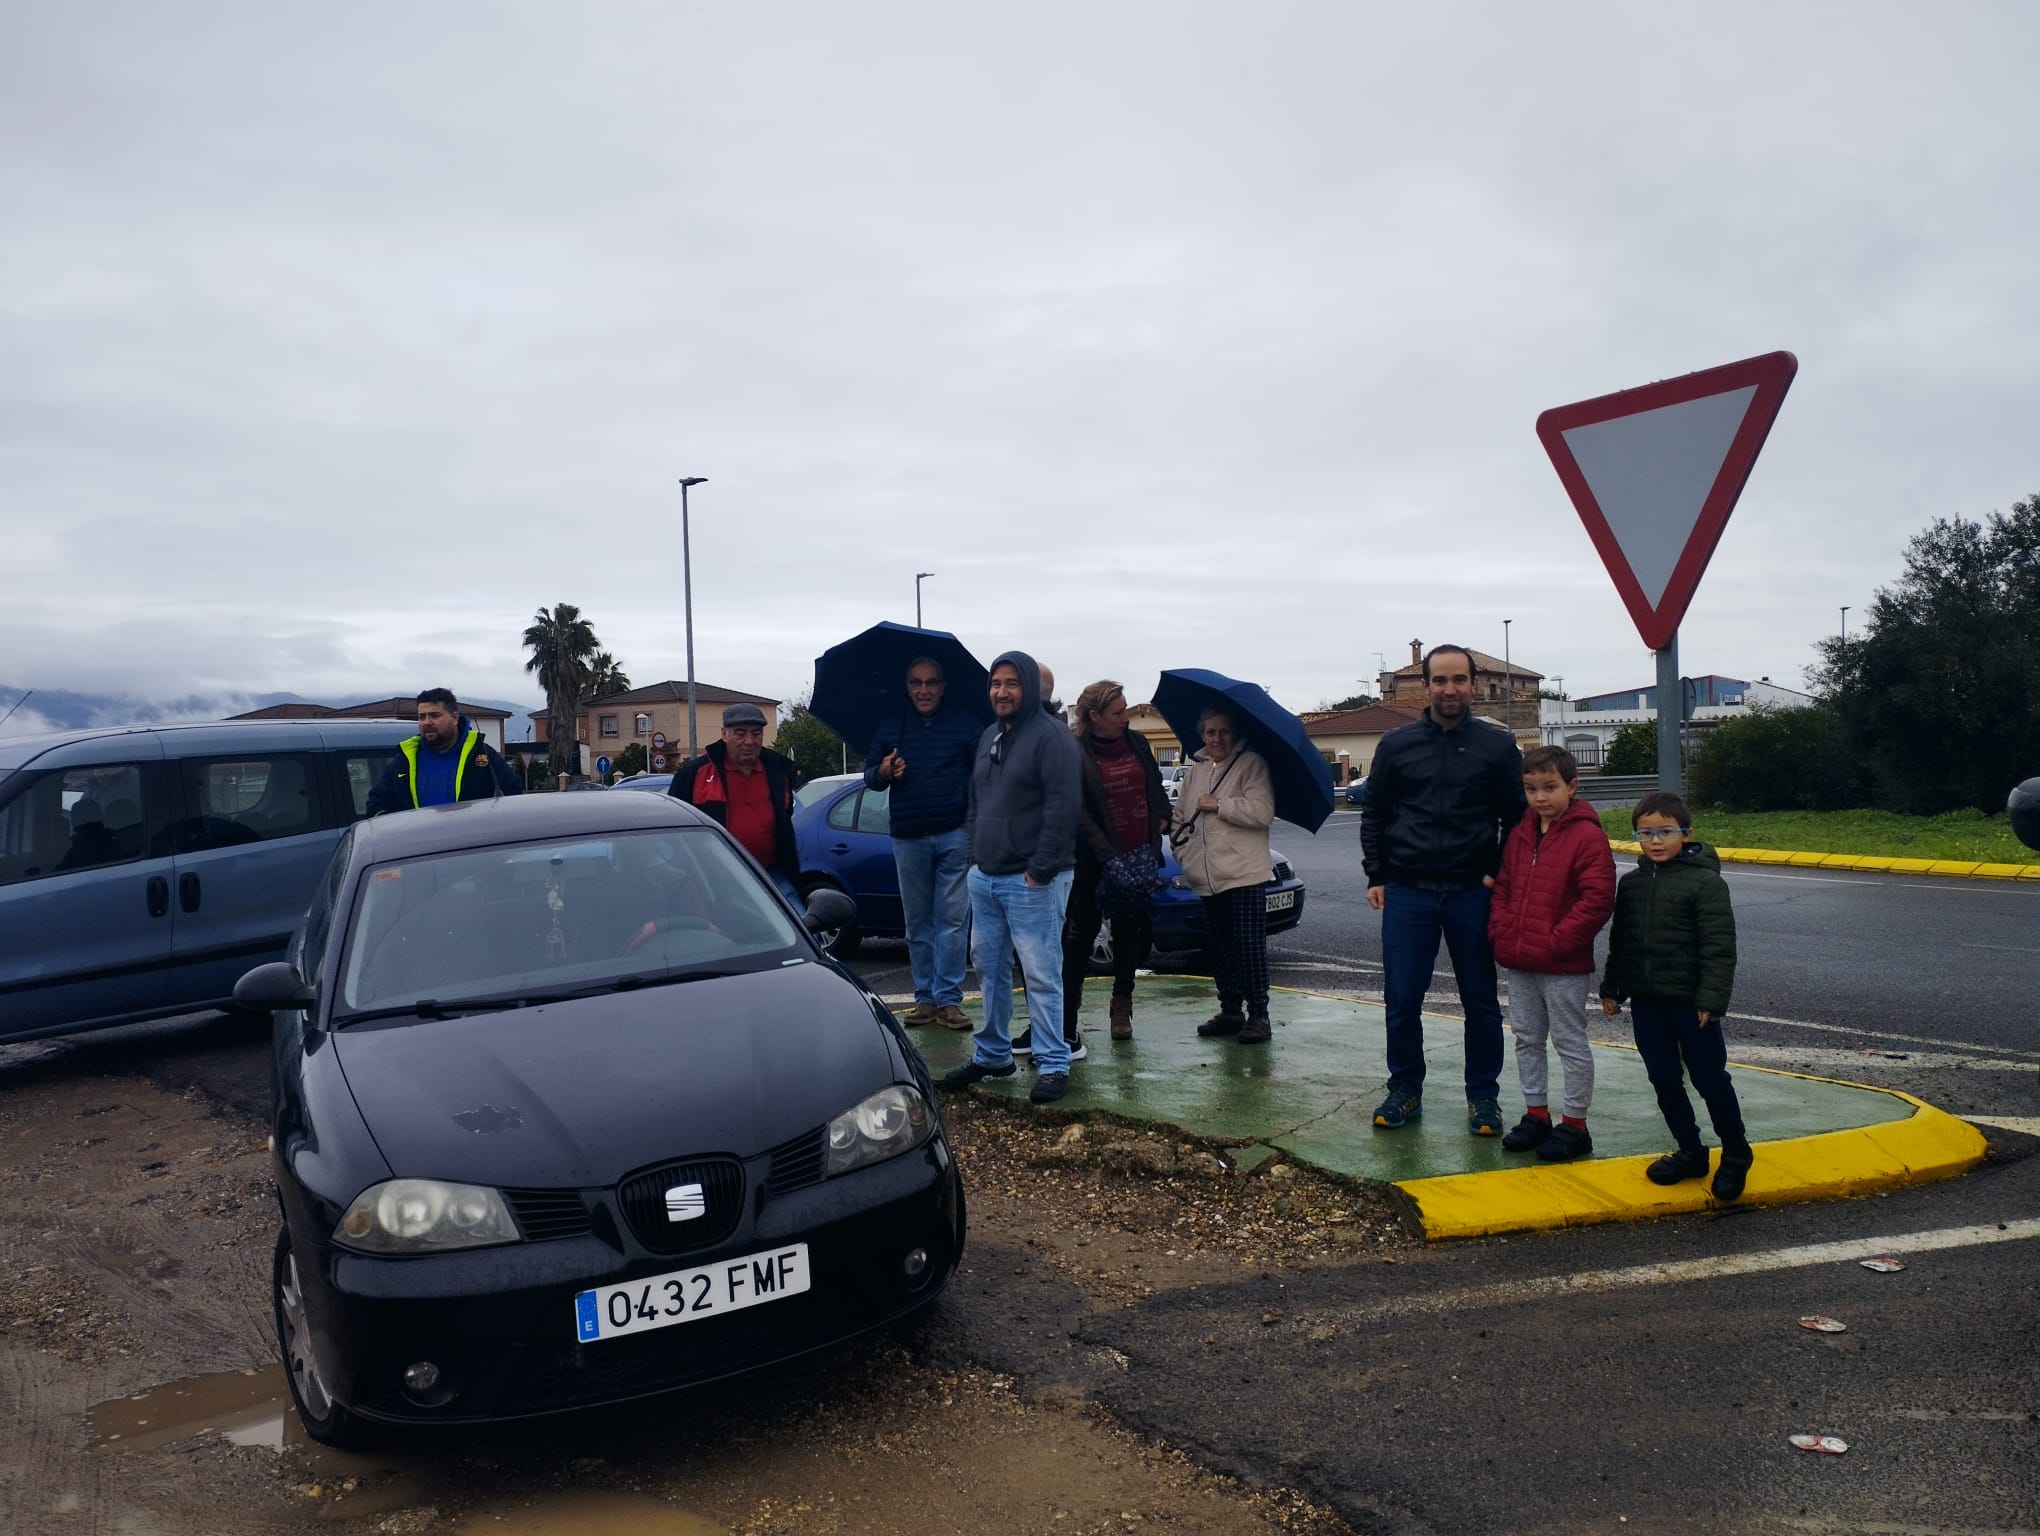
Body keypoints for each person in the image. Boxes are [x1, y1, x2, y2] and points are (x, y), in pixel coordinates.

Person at [1360, 644, 1526, 1135]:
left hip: (1472, 893)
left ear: (1474, 685)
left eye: (1458, 679)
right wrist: (1377, 873)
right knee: (1402, 997)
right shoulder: (1395, 745)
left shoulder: (1498, 747)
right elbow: (1374, 813)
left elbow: (1514, 818)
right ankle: (1405, 1088)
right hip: (1408, 891)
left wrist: (1498, 875)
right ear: (1426, 687)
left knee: (1481, 1000)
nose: (1449, 689)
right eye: (1439, 680)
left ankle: (1484, 1098)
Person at [940, 650, 1082, 1104]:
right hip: (987, 875)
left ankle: (1053, 1061)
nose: (1001, 692)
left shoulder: (1052, 737)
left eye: (1011, 683)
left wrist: (1038, 871)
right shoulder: (990, 736)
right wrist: (975, 855)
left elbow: (1063, 808)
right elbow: (976, 798)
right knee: (988, 968)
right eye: (996, 683)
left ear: (1029, 688)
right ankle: (993, 1055)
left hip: (1033, 880)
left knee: (1041, 973)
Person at [1601, 792, 1751, 1201]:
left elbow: (1719, 948)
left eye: (1665, 831)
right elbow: (1622, 941)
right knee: (1664, 1079)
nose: (1655, 840)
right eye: (1645, 833)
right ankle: (1691, 1150)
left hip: (1692, 1005)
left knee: (1709, 1079)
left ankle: (1736, 1153)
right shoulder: (1631, 883)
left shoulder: (1706, 882)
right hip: (1648, 1003)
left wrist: (1711, 1000)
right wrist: (1612, 988)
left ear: (1686, 833)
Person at [1489, 746, 1617, 1162]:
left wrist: (1557, 941)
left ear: (1572, 786)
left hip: (1562, 965)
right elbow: (1505, 887)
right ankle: (1536, 1114)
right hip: (1521, 959)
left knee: (1568, 1041)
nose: (1540, 797)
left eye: (1550, 787)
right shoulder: (1522, 832)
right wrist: (1502, 933)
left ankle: (1575, 1125)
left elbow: (1597, 899)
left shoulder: (1586, 835)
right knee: (1527, 1038)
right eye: (1531, 789)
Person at [865, 657, 979, 1029]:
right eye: (917, 682)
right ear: (907, 686)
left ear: (943, 686)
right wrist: (883, 770)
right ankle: (924, 998)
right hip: (908, 836)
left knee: (952, 920)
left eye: (932, 682)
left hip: (953, 834)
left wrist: (971, 821)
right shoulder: (890, 725)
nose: (924, 689)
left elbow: (983, 774)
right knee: (917, 923)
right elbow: (871, 778)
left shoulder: (965, 724)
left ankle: (948, 999)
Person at [1054, 680, 1168, 1047]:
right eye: (1118, 712)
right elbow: (1078, 811)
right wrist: (1108, 857)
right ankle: (1067, 1017)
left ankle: (1122, 1002)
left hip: (1137, 852)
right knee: (1079, 938)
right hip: (1093, 861)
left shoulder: (1137, 742)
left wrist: (1162, 817)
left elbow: (1154, 785)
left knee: (1129, 932)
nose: (1125, 718)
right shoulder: (1075, 751)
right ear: (1094, 716)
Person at [1172, 705, 1276, 1045]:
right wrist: (1183, 854)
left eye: (1224, 731)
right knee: (1219, 948)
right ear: (1202, 735)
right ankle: (1231, 1011)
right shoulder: (1195, 772)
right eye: (1210, 732)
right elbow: (1179, 818)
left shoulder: (1251, 764)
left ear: (1234, 732)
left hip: (1243, 874)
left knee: (1248, 948)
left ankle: (1259, 1014)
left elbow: (1262, 812)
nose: (1217, 738)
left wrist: (1220, 805)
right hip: (1206, 876)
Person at [670, 703, 803, 906]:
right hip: (715, 882)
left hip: (772, 875)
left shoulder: (778, 773)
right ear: (724, 734)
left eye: (756, 734)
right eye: (740, 734)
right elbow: (674, 828)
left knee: (801, 931)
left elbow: (785, 820)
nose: (749, 741)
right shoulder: (695, 774)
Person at [366, 688, 523, 815]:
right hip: (420, 849)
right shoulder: (404, 762)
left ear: (454, 718)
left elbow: (513, 794)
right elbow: (376, 805)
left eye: (434, 715)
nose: (427, 722)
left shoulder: (482, 756)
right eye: (421, 717)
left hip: (473, 848)